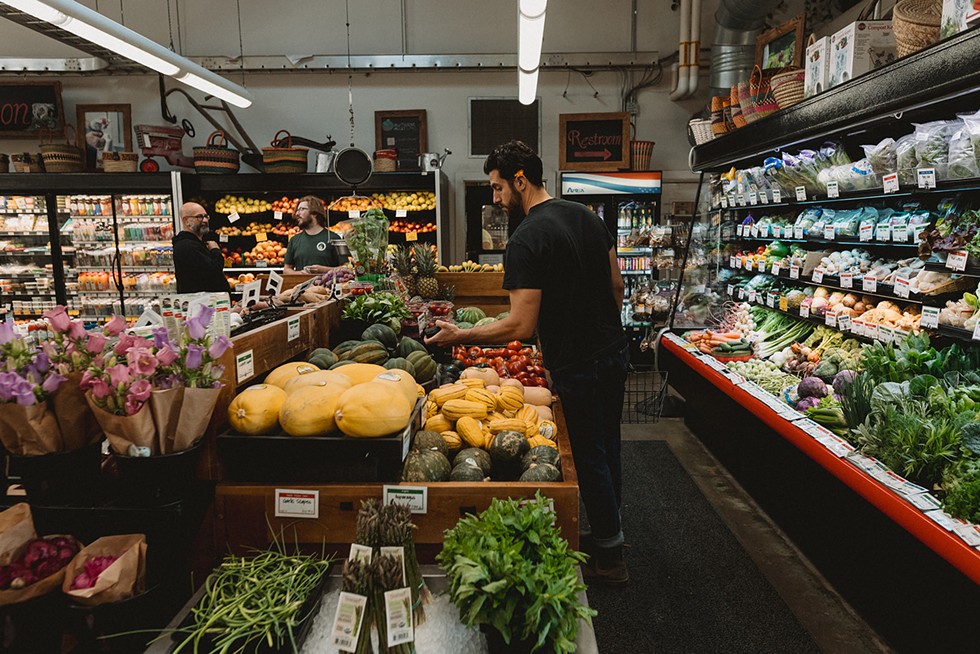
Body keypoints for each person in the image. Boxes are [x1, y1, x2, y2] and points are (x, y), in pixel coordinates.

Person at [426, 141, 629, 585]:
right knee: (607, 443)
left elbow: (519, 325)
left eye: (498, 188)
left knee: (589, 453)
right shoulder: (587, 219)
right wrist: (600, 330)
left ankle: (611, 559)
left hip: (577, 361)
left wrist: (461, 334)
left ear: (520, 179)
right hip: (614, 351)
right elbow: (616, 285)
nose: (495, 199)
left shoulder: (525, 239)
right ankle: (611, 529)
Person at [172, 202, 231, 294]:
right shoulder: (188, 246)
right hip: (202, 305)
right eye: (199, 217)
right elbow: (213, 271)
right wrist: (215, 250)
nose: (205, 220)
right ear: (186, 221)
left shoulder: (195, 243)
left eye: (206, 216)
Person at [283, 196, 341, 275]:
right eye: (297, 210)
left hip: (326, 286)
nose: (297, 213)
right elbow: (286, 269)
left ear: (315, 213)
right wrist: (300, 274)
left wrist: (323, 270)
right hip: (300, 287)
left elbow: (346, 268)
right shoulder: (294, 240)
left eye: (302, 209)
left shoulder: (333, 238)